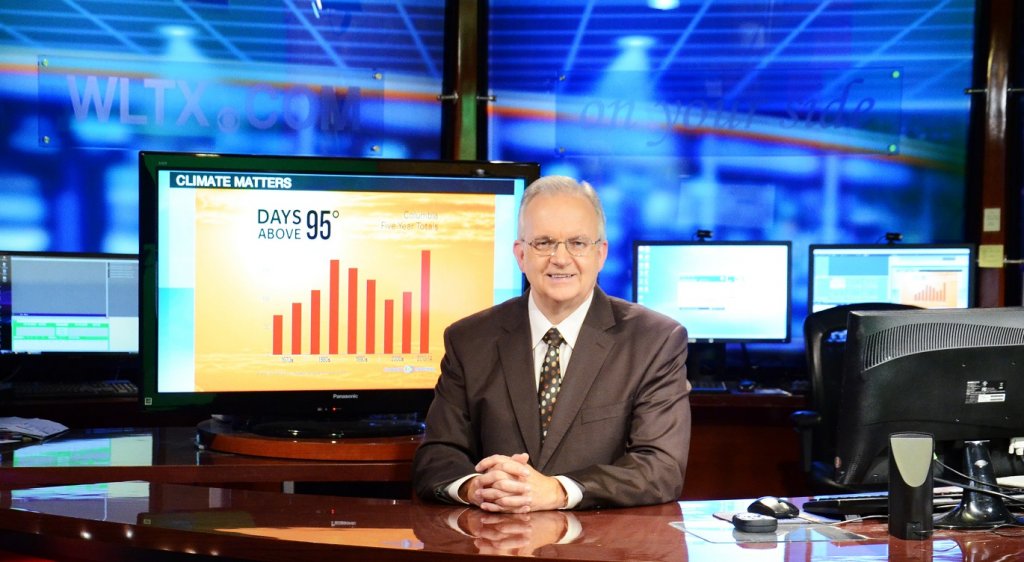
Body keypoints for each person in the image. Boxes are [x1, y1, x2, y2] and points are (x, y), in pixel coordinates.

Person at [412, 175, 690, 512]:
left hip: (604, 547)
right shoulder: (469, 340)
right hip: (496, 543)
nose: (560, 258)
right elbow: (437, 456)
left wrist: (557, 490)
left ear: (601, 254)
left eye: (578, 243)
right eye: (543, 243)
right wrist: (476, 487)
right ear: (520, 254)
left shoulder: (654, 341)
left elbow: (660, 468)